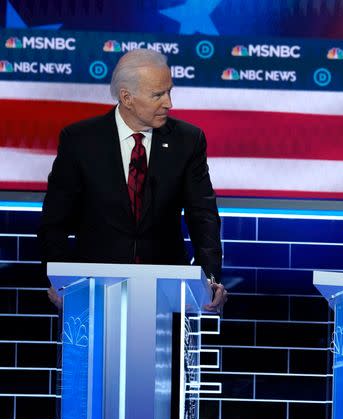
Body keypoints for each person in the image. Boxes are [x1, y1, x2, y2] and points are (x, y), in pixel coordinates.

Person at [38, 49, 227, 311]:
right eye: (158, 95)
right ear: (127, 97)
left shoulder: (188, 140)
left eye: (169, 91)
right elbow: (55, 222)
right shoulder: (80, 141)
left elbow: (203, 215)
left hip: (166, 294)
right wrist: (58, 281)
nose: (169, 103)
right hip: (93, 291)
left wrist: (210, 278)